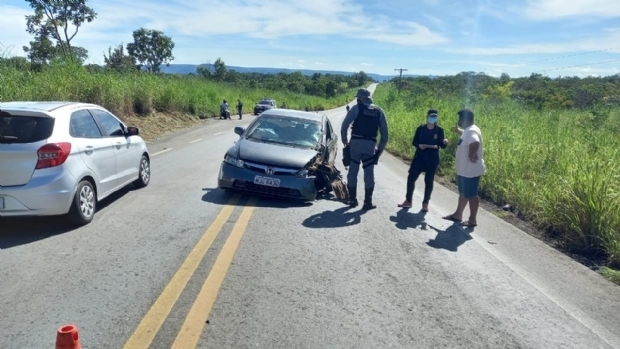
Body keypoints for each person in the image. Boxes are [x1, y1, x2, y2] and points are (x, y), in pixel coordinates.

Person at [340, 88, 389, 210]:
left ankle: (352, 200)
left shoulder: (356, 108)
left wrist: (344, 140)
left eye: (358, 98)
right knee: (369, 173)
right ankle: (368, 202)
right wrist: (379, 150)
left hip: (355, 144)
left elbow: (344, 126)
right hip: (370, 145)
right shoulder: (379, 111)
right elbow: (385, 135)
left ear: (361, 98)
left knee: (353, 171)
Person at [442, 108, 486, 227]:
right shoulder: (469, 130)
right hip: (465, 170)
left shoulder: (471, 131)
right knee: (463, 193)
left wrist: (471, 155)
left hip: (470, 170)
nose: (459, 121)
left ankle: (472, 220)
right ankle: (458, 214)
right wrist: (458, 131)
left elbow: (475, 142)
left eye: (460, 119)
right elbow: (467, 136)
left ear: (464, 119)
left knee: (471, 194)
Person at [398, 108, 449, 211]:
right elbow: (414, 142)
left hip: (432, 158)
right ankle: (408, 200)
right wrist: (419, 145)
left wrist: (445, 142)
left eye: (435, 116)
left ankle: (425, 203)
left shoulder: (439, 130)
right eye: (431, 116)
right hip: (420, 156)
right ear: (427, 117)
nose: (433, 118)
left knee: (429, 180)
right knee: (411, 177)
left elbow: (441, 145)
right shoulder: (421, 128)